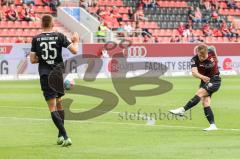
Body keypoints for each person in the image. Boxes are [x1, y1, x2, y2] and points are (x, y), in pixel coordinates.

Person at [30, 14, 79, 146]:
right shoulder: (59, 36)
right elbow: (74, 50)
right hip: (58, 73)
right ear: (53, 24)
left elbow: (33, 60)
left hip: (46, 75)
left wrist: (44, 58)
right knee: (59, 104)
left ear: (42, 24)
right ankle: (61, 136)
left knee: (52, 108)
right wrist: (76, 40)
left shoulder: (36, 39)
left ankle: (65, 136)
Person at [169, 44, 221, 131]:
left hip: (215, 80)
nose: (202, 58)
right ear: (197, 53)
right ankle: (213, 125)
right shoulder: (194, 59)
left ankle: (182, 109)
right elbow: (194, 72)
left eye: (204, 56)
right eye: (200, 56)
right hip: (204, 80)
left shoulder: (211, 52)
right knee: (205, 102)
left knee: (199, 93)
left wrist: (216, 58)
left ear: (207, 53)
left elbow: (212, 48)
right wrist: (202, 77)